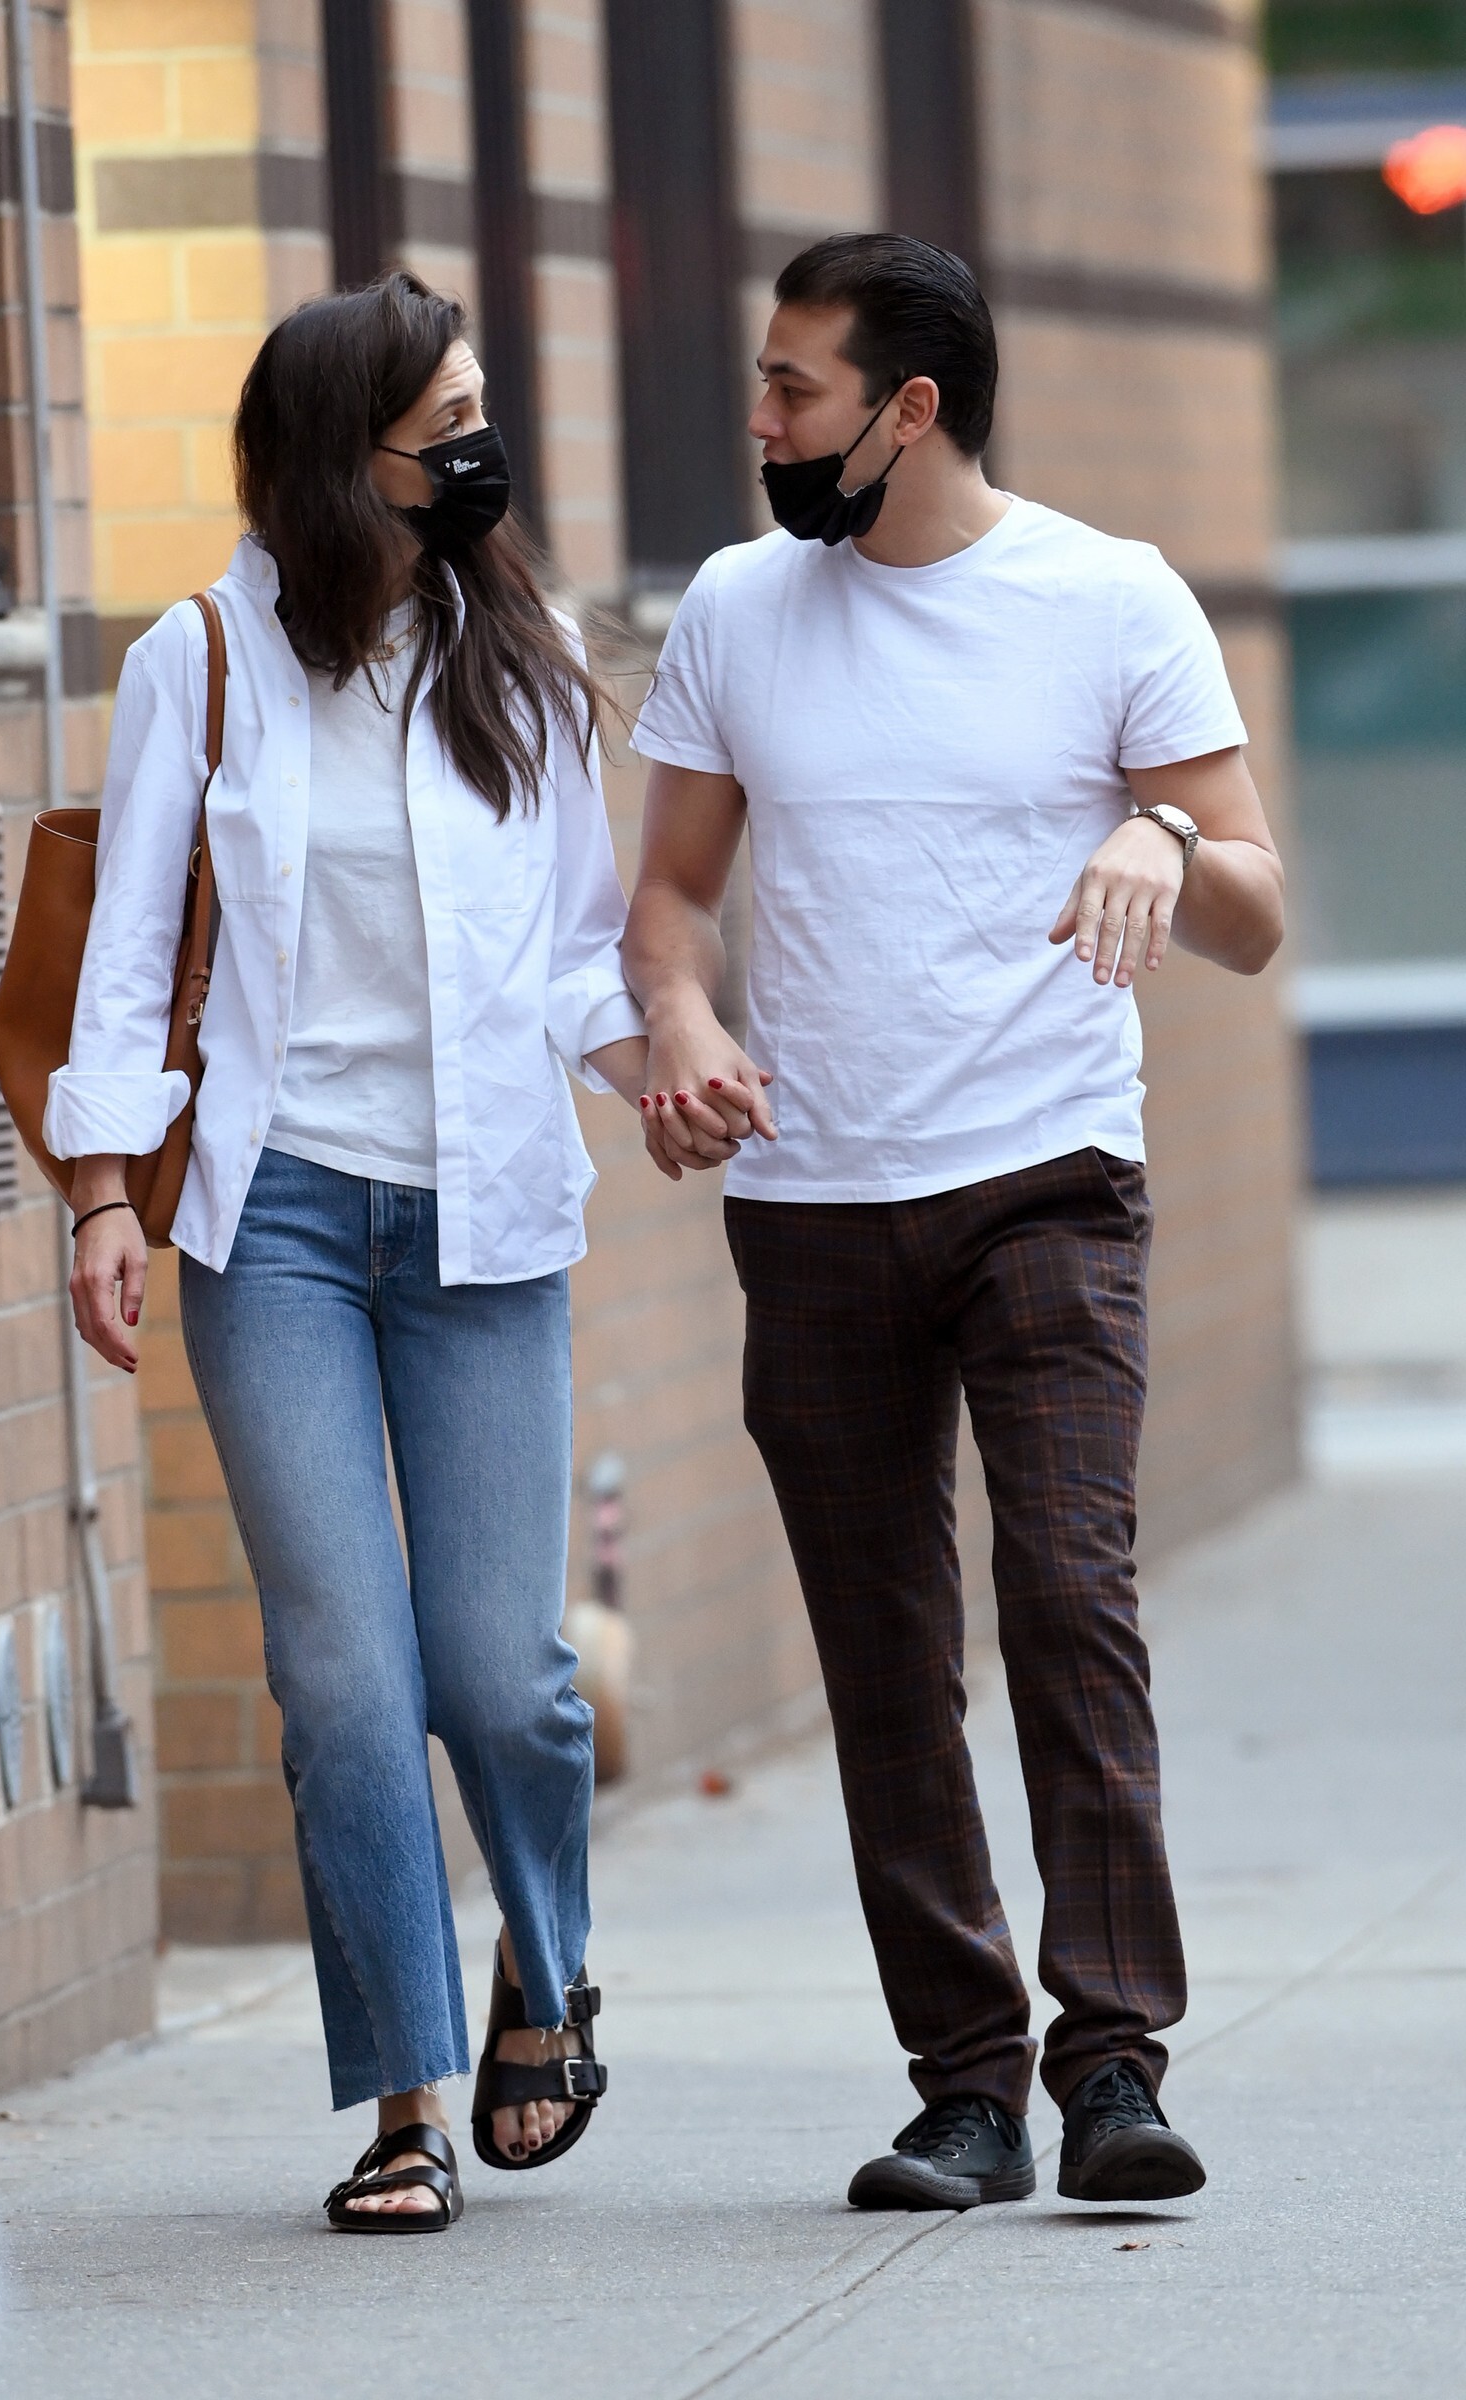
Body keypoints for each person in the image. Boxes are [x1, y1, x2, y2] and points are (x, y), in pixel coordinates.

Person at [623, 234, 1284, 2212]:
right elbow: (667, 899)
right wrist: (680, 1021)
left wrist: (1161, 828)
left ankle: (1113, 2066)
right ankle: (966, 2090)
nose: (759, 422)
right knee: (884, 1650)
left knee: (1069, 1596)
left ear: (906, 410)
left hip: (1044, 1180)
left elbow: (1253, 908)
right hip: (814, 1198)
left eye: (793, 389)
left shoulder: (1106, 596)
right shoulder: (737, 609)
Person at [48, 271, 647, 2232]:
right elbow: (129, 948)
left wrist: (663, 1062)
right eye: (440, 423)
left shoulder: (520, 649)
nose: (477, 450)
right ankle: (403, 2096)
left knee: (504, 1676)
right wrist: (99, 1194)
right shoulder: (205, 661)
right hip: (279, 1217)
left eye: (478, 410)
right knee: (342, 1679)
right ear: (340, 456)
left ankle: (545, 1963)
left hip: (484, 1215)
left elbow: (578, 951)